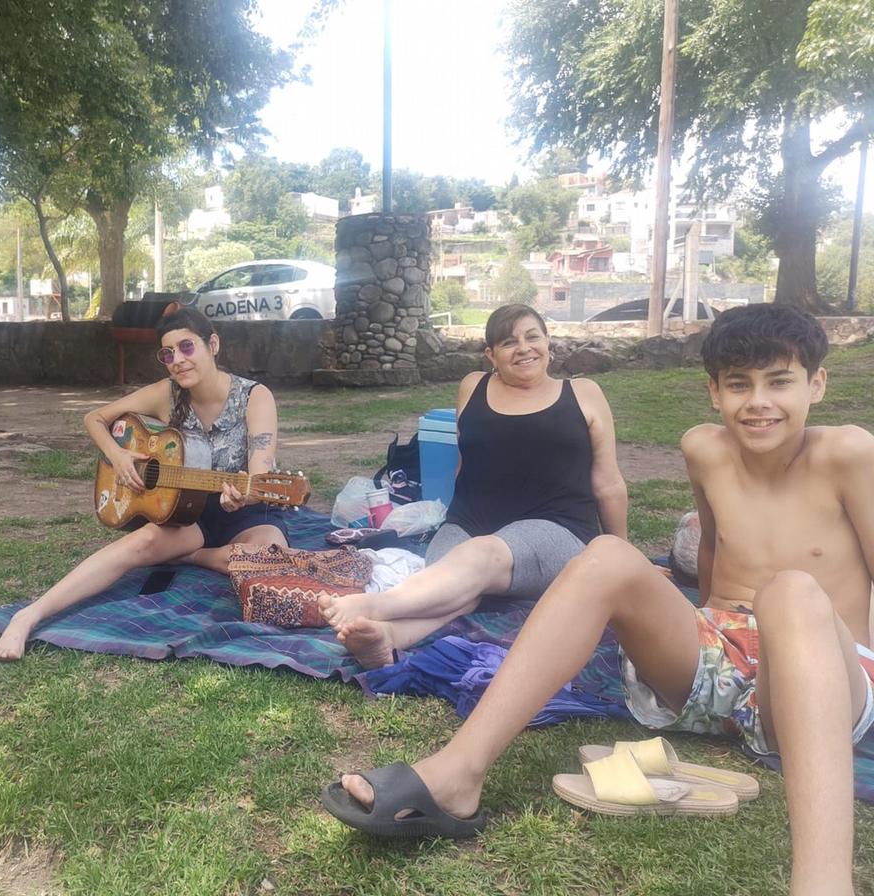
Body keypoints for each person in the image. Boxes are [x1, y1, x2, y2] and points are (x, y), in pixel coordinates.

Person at [323, 304, 874, 896]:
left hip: (819, 676)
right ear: (714, 392)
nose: (758, 402)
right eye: (739, 384)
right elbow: (714, 551)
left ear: (817, 383)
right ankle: (457, 775)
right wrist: (674, 615)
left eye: (780, 382)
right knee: (609, 556)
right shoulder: (705, 450)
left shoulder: (848, 453)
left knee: (788, 590)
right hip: (714, 662)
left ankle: (822, 885)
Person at [319, 303, 628, 668]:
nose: (524, 348)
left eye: (533, 337)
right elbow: (466, 463)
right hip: (469, 521)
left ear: (548, 342)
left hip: (556, 528)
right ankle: (388, 637)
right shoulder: (472, 387)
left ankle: (374, 606)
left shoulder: (583, 393)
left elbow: (607, 483)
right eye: (509, 342)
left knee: (478, 560)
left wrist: (622, 558)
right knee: (452, 582)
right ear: (491, 355)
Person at [0, 307, 289, 661]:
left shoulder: (255, 396)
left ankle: (191, 556)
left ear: (213, 345)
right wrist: (118, 456)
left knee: (270, 560)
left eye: (187, 347)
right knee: (141, 541)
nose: (177, 360)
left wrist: (247, 492)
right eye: (168, 353)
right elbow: (94, 418)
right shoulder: (168, 393)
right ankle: (29, 615)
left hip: (247, 510)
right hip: (188, 510)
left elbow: (260, 468)